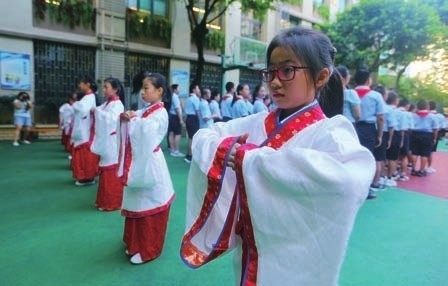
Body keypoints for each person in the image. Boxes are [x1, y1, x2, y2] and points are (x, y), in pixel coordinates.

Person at [181, 27, 375, 285]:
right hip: (251, 253)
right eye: (270, 71)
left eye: (287, 71)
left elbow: (349, 181)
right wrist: (225, 150)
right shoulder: (256, 122)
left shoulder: (332, 132)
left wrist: (248, 160)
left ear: (321, 77)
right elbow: (206, 136)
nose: (274, 81)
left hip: (298, 263)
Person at [117, 72, 175, 265]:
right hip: (142, 161)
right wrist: (127, 116)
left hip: (150, 163)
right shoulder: (148, 110)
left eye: (146, 88)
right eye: (142, 88)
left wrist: (133, 120)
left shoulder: (161, 113)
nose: (142, 92)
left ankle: (149, 248)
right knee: (138, 201)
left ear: (159, 91)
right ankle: (135, 243)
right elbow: (138, 120)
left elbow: (148, 131)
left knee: (150, 203)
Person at [90, 77, 125, 211]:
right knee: (105, 169)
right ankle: (104, 200)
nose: (103, 89)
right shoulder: (108, 104)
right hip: (107, 141)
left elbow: (111, 121)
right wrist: (97, 111)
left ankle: (113, 202)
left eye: (106, 87)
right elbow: (103, 113)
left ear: (115, 89)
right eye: (103, 87)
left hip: (112, 142)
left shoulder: (117, 104)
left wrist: (97, 112)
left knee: (110, 170)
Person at [353, 69, 385, 199]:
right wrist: (380, 134)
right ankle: (365, 190)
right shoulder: (376, 96)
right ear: (368, 80)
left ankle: (351, 188)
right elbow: (381, 117)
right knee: (367, 159)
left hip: (351, 126)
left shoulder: (349, 93)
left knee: (352, 157)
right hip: (368, 129)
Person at [71, 76, 99, 186]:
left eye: (81, 83)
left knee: (85, 155)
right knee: (82, 154)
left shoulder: (90, 96)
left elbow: (82, 109)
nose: (79, 86)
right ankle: (84, 176)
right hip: (83, 129)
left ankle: (87, 177)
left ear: (87, 84)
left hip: (86, 131)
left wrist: (75, 104)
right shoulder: (87, 97)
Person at [410, 99, 438, 177]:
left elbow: (411, 126)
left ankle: (413, 169)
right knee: (424, 154)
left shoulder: (414, 115)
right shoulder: (432, 116)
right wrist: (434, 138)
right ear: (427, 106)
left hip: (415, 134)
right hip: (427, 135)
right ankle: (421, 170)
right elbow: (435, 129)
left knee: (414, 153)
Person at [184, 83, 201, 163]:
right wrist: (200, 120)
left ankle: (188, 155)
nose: (199, 90)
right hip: (193, 118)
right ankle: (189, 156)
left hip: (188, 117)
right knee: (192, 137)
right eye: (197, 88)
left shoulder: (188, 98)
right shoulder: (195, 98)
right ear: (194, 89)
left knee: (190, 137)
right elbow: (197, 111)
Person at [427, 101, 445, 173]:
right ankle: (428, 167)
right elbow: (443, 126)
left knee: (417, 152)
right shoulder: (439, 116)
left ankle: (412, 166)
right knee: (430, 152)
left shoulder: (425, 114)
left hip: (422, 133)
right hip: (434, 133)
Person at [168, 84, 185, 157]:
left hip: (171, 116)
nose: (179, 90)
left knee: (171, 133)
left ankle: (172, 149)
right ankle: (176, 150)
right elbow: (177, 109)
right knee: (178, 134)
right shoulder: (175, 97)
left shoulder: (172, 96)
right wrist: (181, 119)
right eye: (178, 88)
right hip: (175, 117)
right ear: (175, 90)